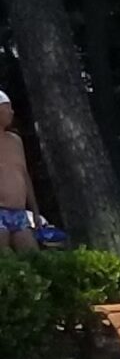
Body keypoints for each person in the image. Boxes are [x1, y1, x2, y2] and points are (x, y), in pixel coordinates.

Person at [0, 93, 44, 251]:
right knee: (4, 259)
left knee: (32, 256)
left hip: (18, 212)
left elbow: (24, 175)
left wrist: (35, 212)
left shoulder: (16, 141)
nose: (12, 112)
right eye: (7, 108)